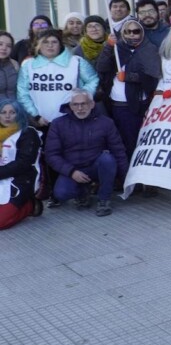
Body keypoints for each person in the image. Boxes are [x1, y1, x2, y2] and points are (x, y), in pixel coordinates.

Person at [45, 89, 128, 216]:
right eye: (76, 105)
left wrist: (126, 180)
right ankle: (82, 192)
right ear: (70, 106)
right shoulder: (58, 124)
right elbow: (51, 155)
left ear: (92, 104)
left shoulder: (106, 123)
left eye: (83, 104)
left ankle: (104, 199)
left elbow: (119, 151)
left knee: (108, 159)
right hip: (73, 169)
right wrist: (71, 172)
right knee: (61, 194)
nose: (80, 108)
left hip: (96, 166)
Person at [95, 16, 160, 160]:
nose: (132, 35)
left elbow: (152, 78)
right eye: (128, 32)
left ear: (142, 33)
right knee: (122, 141)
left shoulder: (149, 50)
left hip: (139, 104)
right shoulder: (117, 49)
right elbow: (101, 67)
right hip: (117, 104)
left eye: (136, 31)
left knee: (136, 140)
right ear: (122, 33)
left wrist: (130, 77)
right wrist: (108, 46)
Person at [17, 29, 99, 127]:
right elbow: (22, 93)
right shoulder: (28, 65)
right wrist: (36, 116)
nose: (50, 45)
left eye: (54, 42)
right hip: (40, 123)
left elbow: (93, 80)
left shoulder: (76, 61)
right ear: (38, 45)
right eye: (45, 42)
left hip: (72, 121)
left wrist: (81, 97)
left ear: (60, 45)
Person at [0, 99, 43, 229]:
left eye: (12, 112)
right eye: (3, 112)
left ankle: (29, 205)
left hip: (19, 181)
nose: (7, 116)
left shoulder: (28, 133)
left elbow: (23, 164)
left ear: (19, 114)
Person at [0, 31, 20, 99]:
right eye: (0, 44)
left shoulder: (15, 65)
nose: (4, 48)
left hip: (15, 106)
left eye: (8, 46)